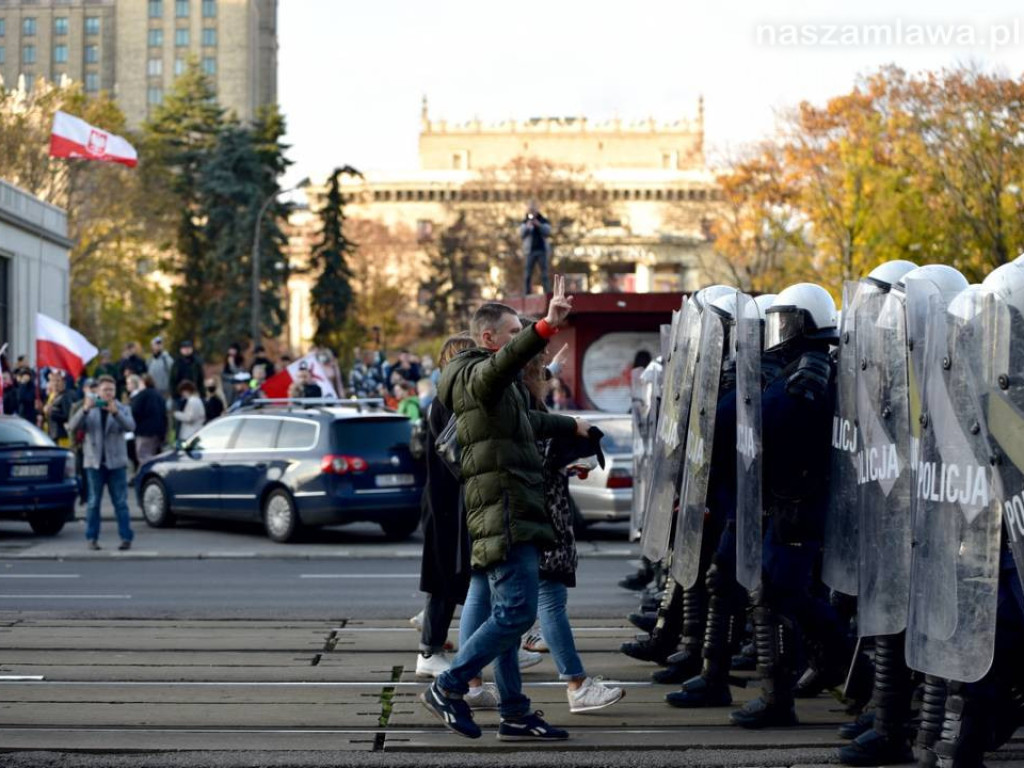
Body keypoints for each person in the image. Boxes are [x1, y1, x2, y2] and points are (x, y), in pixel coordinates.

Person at [420, 276, 591, 741]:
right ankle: (449, 684)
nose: (520, 340)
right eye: (513, 332)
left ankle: (514, 712)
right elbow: (506, 366)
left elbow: (529, 421)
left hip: (511, 505)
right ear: (490, 338)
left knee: (507, 617)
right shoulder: (479, 374)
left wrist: (570, 426)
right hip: (505, 508)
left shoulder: (499, 387)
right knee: (515, 616)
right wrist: (546, 328)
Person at [521, 340, 625, 713]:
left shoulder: (514, 397)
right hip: (540, 519)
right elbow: (538, 450)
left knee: (503, 603)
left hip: (531, 517)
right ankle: (576, 684)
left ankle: (471, 681)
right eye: (539, 369)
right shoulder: (521, 405)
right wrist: (573, 437)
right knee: (545, 601)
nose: (544, 375)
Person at [414, 334, 476, 680]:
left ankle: (435, 643)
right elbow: (456, 457)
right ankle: (430, 649)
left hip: (447, 502)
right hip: (447, 504)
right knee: (445, 578)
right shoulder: (447, 403)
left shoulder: (445, 400)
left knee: (452, 577)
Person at [67, 375, 136, 551]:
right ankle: (92, 538)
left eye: (111, 390)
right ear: (97, 391)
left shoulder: (122, 407)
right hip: (94, 463)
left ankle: (126, 538)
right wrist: (84, 410)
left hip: (116, 463)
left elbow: (131, 427)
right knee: (93, 502)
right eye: (105, 390)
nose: (108, 393)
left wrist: (116, 413)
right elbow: (72, 427)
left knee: (120, 503)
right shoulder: (90, 408)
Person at [130, 374, 168, 466]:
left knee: (143, 457)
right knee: (155, 457)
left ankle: (147, 478)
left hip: (144, 432)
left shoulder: (142, 395)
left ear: (143, 383)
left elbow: (134, 412)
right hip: (159, 431)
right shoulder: (159, 395)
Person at [519, 200, 552, 295]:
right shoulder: (525, 221)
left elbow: (547, 232)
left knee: (544, 273)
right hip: (530, 251)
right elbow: (521, 234)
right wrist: (528, 227)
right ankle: (526, 293)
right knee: (528, 273)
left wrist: (539, 225)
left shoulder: (542, 220)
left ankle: (547, 292)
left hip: (542, 250)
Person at [42, 370, 73, 448]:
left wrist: (51, 413)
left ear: (63, 383)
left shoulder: (65, 396)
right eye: (53, 381)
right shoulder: (52, 396)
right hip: (50, 434)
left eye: (58, 381)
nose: (55, 383)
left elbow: (67, 416)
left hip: (61, 436)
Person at [147, 336, 175, 403]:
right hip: (152, 391)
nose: (158, 346)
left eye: (159, 344)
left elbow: (173, 375)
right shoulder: (149, 361)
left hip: (165, 392)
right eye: (156, 344)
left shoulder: (167, 359)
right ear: (152, 346)